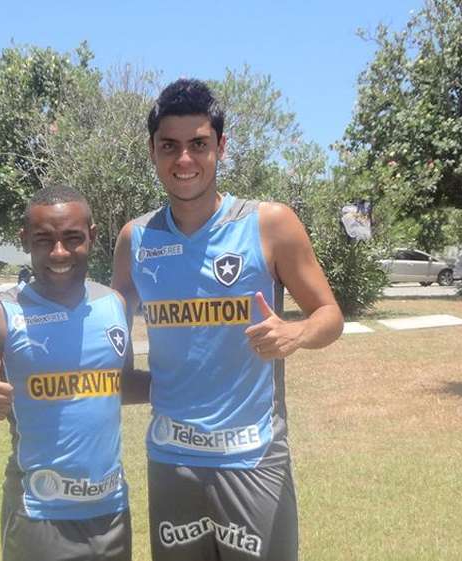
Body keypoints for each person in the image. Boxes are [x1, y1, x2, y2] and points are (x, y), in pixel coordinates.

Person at [112, 79, 344, 561]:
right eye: (169, 146)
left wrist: (296, 332)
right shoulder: (135, 240)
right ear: (153, 152)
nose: (184, 160)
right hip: (172, 457)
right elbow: (105, 339)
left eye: (198, 144)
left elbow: (330, 315)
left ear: (221, 146)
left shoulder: (269, 223)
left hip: (253, 456)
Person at [0, 185, 138, 561]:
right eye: (45, 240)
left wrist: (197, 380)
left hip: (111, 512)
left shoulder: (113, 304)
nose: (59, 252)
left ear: (92, 237)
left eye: (72, 238)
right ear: (26, 240)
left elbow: (122, 386)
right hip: (39, 515)